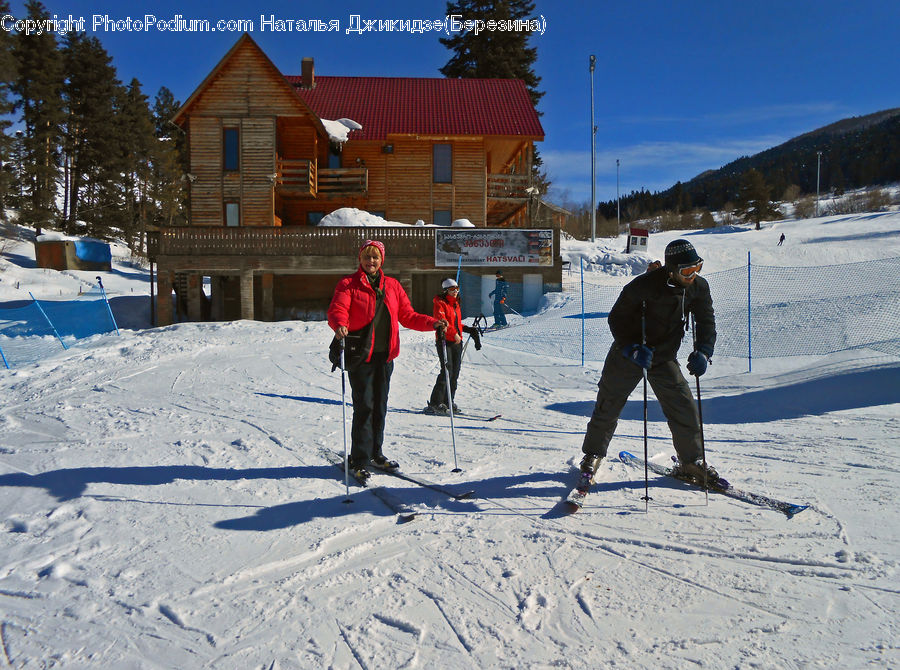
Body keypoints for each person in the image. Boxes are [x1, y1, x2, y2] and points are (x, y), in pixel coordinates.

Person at [576, 238, 718, 490]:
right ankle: (592, 456)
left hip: (663, 357)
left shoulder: (698, 288)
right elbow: (616, 319)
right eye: (687, 270)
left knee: (683, 405)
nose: (693, 274)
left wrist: (704, 352)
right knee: (608, 404)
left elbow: (706, 321)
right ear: (672, 269)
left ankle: (691, 461)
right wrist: (631, 348)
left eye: (698, 267)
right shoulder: (642, 286)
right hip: (629, 353)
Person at [328, 240, 447, 481]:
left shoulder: (391, 285)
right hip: (361, 356)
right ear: (360, 259)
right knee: (365, 407)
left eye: (375, 258)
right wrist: (340, 323)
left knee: (380, 407)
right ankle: (359, 459)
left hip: (385, 357)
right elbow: (338, 308)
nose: (370, 262)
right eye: (366, 257)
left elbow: (407, 315)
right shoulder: (348, 284)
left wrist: (431, 323)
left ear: (382, 260)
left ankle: (376, 453)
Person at [424, 278, 482, 415]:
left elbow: (456, 324)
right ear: (446, 291)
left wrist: (467, 329)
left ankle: (448, 401)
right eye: (452, 289)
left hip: (457, 342)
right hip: (445, 341)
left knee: (455, 372)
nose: (455, 291)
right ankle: (435, 403)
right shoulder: (440, 303)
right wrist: (454, 334)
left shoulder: (455, 305)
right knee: (447, 371)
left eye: (457, 289)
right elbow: (443, 323)